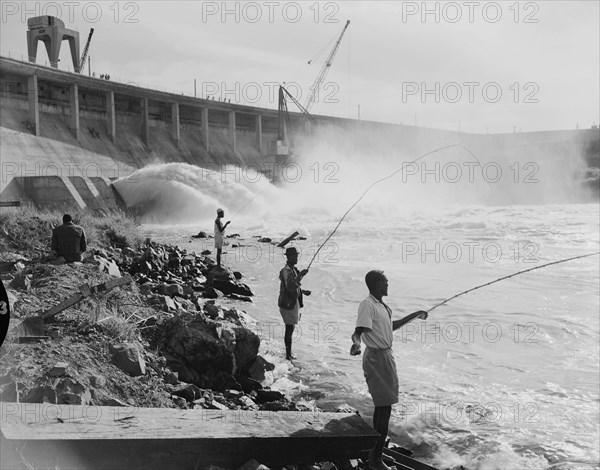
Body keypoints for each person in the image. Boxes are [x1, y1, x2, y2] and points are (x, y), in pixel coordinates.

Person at [350, 270, 428, 470]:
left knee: (383, 408)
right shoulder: (367, 305)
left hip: (385, 356)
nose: (387, 285)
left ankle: (376, 455)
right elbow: (358, 332)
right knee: (384, 409)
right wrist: (357, 345)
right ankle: (375, 461)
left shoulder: (382, 306)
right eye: (385, 283)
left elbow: (389, 326)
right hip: (377, 358)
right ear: (376, 284)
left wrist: (415, 315)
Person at [278, 247, 311, 360]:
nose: (297, 257)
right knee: (289, 328)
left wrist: (303, 291)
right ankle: (288, 355)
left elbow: (293, 286)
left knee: (290, 328)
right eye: (295, 255)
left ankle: (289, 354)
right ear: (289, 257)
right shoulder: (287, 271)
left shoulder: (292, 269)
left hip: (290, 303)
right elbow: (290, 287)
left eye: (296, 255)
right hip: (287, 304)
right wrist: (301, 275)